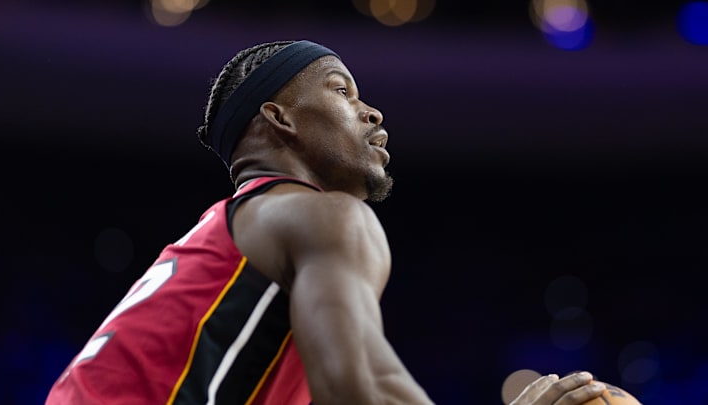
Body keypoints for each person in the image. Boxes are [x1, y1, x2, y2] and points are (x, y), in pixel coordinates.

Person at [45, 39, 607, 404]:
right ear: (279, 117)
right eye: (343, 90)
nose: (372, 112)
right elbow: (358, 391)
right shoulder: (322, 214)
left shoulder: (230, 240)